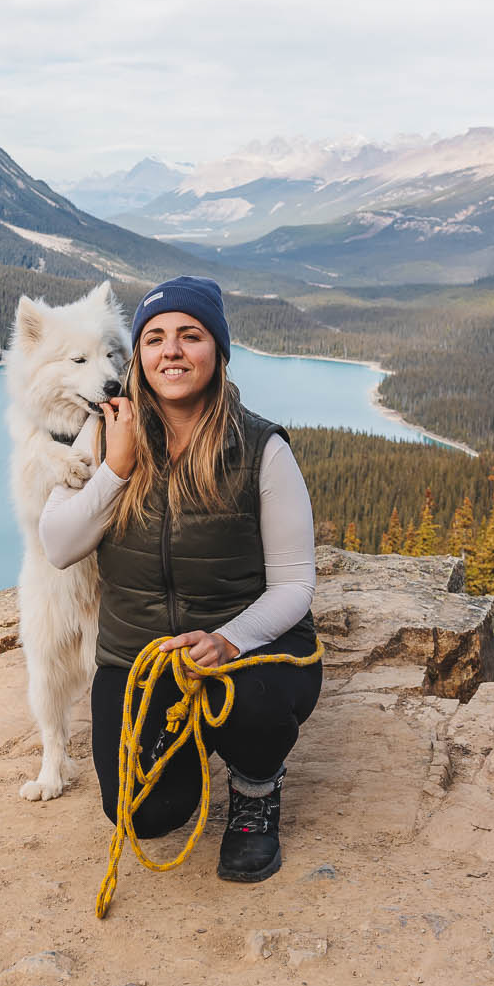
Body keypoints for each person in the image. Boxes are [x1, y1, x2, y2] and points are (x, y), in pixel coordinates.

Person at [38, 274, 320, 883]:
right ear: (137, 355)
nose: (171, 350)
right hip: (140, 654)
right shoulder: (107, 428)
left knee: (253, 703)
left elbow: (296, 584)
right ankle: (195, 748)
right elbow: (57, 545)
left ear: (216, 352)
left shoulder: (261, 447)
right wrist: (116, 467)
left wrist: (228, 641)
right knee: (143, 814)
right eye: (155, 338)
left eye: (191, 336)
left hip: (247, 649)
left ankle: (254, 787)